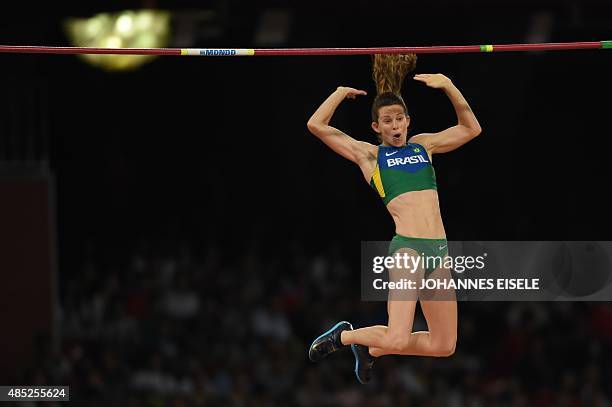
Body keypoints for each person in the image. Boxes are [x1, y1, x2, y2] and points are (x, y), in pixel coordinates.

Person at [306, 54, 482, 384]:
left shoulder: (423, 145)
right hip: (409, 252)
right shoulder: (370, 156)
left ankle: (371, 349)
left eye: (399, 119)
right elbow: (316, 125)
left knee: (443, 345)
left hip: (439, 253)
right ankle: (345, 336)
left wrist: (450, 87)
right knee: (399, 337)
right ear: (377, 127)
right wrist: (340, 92)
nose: (395, 126)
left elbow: (472, 128)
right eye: (387, 121)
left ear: (408, 121)